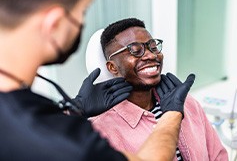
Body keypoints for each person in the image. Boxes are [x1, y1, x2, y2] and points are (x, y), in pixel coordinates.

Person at [0, 0, 194, 160]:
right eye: (82, 12)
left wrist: (74, 108)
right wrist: (172, 113)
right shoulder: (68, 141)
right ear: (55, 23)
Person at [87, 18, 228, 160]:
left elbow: (218, 156)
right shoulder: (101, 131)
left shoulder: (187, 104)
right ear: (112, 67)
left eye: (153, 47)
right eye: (135, 50)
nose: (151, 55)